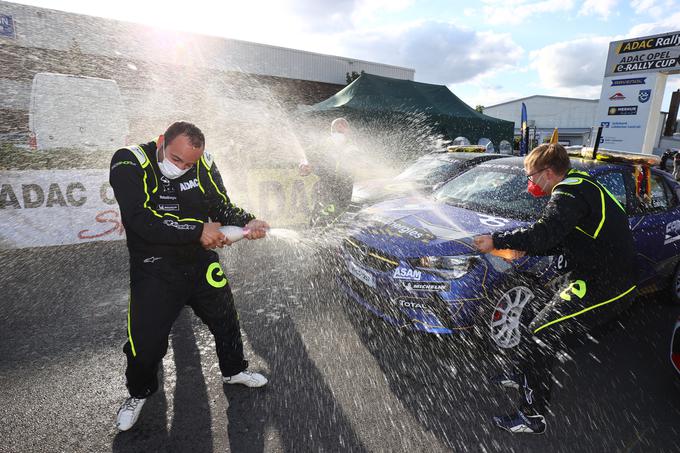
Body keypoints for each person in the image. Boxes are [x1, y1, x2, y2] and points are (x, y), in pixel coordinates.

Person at [109, 121, 270, 432]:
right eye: (175, 159)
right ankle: (138, 393)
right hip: (154, 265)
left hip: (199, 261)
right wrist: (198, 230)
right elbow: (139, 219)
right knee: (146, 344)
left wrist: (248, 220)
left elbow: (220, 205)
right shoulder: (129, 160)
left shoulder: (203, 163)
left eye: (190, 163)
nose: (182, 168)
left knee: (226, 320)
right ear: (161, 142)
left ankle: (234, 370)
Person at [473, 143, 637, 434]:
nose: (530, 183)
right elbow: (569, 235)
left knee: (540, 334)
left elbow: (544, 233)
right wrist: (529, 248)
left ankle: (532, 416)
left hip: (607, 283)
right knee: (531, 314)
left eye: (531, 175)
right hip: (587, 272)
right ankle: (525, 372)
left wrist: (497, 240)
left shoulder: (568, 193)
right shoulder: (581, 184)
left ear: (548, 172)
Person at [299, 117, 357, 227]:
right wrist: (304, 164)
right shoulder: (323, 144)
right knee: (321, 215)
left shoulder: (352, 146)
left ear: (348, 130)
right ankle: (313, 235)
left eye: (343, 126)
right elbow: (305, 154)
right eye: (337, 126)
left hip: (345, 189)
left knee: (339, 217)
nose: (340, 127)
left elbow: (360, 161)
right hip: (326, 186)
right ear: (332, 130)